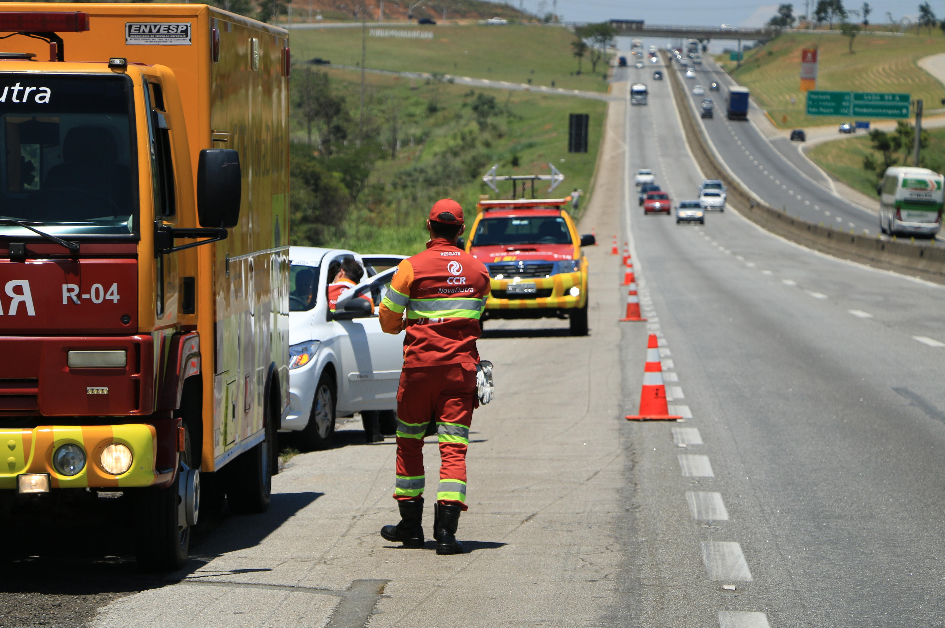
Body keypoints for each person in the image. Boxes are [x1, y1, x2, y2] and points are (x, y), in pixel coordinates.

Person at [378, 198, 491, 555]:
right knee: (453, 447)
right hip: (460, 373)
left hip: (419, 371)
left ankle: (410, 529)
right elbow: (477, 313)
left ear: (429, 227)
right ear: (460, 230)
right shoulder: (478, 271)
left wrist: (406, 323)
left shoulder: (410, 268)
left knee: (409, 442)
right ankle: (446, 534)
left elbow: (388, 319)